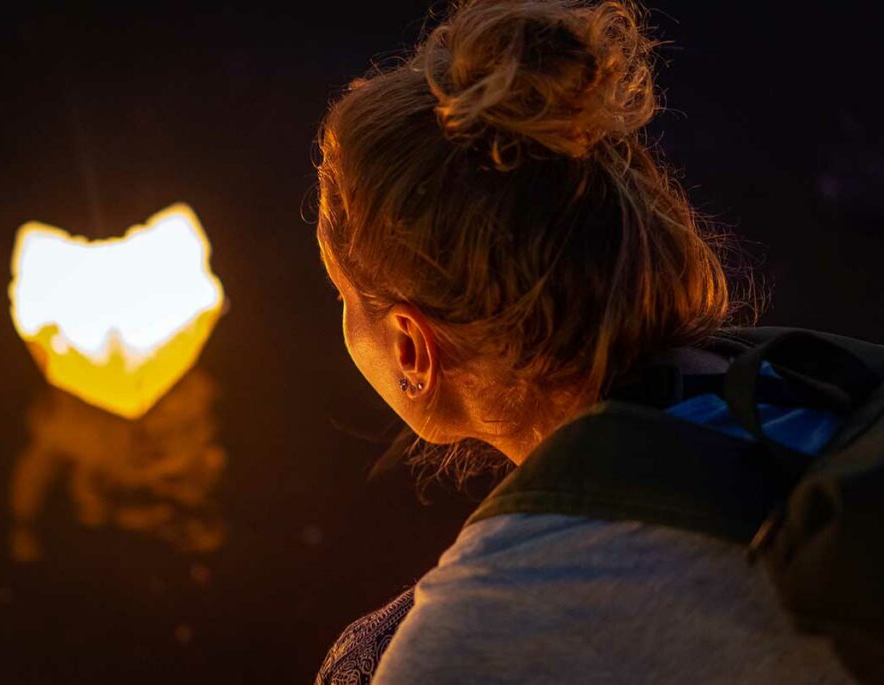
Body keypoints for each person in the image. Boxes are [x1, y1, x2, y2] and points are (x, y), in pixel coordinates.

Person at [312, 0, 872, 682]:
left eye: (344, 295)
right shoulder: (810, 381)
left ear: (412, 348)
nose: (340, 316)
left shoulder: (460, 647)